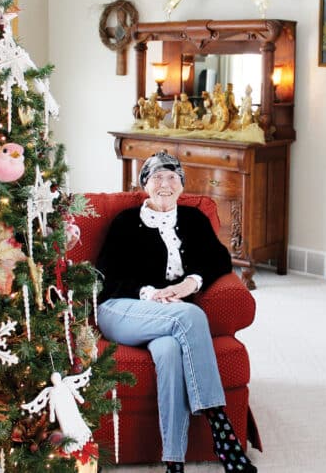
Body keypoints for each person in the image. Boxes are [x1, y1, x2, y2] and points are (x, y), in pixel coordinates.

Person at [96, 152, 257, 473]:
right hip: (121, 309)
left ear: (182, 185)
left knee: (169, 352)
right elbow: (106, 277)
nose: (165, 184)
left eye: (172, 177)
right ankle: (220, 426)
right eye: (157, 177)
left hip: (169, 316)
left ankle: (174, 460)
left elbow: (219, 261)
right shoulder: (126, 222)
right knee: (192, 316)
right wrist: (150, 294)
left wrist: (189, 284)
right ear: (144, 185)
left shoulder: (194, 220)